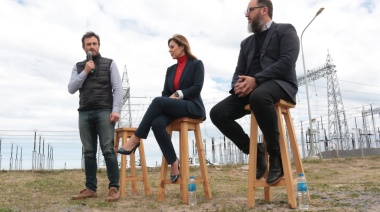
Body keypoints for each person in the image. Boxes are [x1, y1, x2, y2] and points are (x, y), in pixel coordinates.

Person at [210, 0, 300, 185]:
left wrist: (256, 80)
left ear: (264, 10)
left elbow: (286, 62)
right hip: (252, 88)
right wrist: (238, 85)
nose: (246, 14)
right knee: (217, 113)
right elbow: (239, 70)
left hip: (280, 84)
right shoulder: (246, 43)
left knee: (260, 96)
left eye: (250, 10)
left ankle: (276, 158)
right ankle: (255, 151)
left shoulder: (285, 30)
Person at [117, 34, 206, 183]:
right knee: (156, 124)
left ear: (182, 46)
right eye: (169, 48)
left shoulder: (196, 64)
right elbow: (165, 92)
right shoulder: (170, 69)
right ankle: (173, 161)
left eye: (172, 47)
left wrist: (178, 94)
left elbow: (197, 88)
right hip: (175, 107)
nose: (169, 50)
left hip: (192, 105)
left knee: (158, 101)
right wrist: (169, 98)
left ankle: (136, 139)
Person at [68, 31, 122, 201]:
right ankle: (91, 188)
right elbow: (71, 88)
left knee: (107, 149)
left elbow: (118, 88)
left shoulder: (110, 64)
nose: (92, 46)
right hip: (84, 111)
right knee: (89, 152)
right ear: (84, 47)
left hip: (104, 111)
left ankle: (114, 188)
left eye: (94, 44)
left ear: (99, 45)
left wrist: (116, 110)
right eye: (88, 44)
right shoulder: (78, 66)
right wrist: (85, 71)